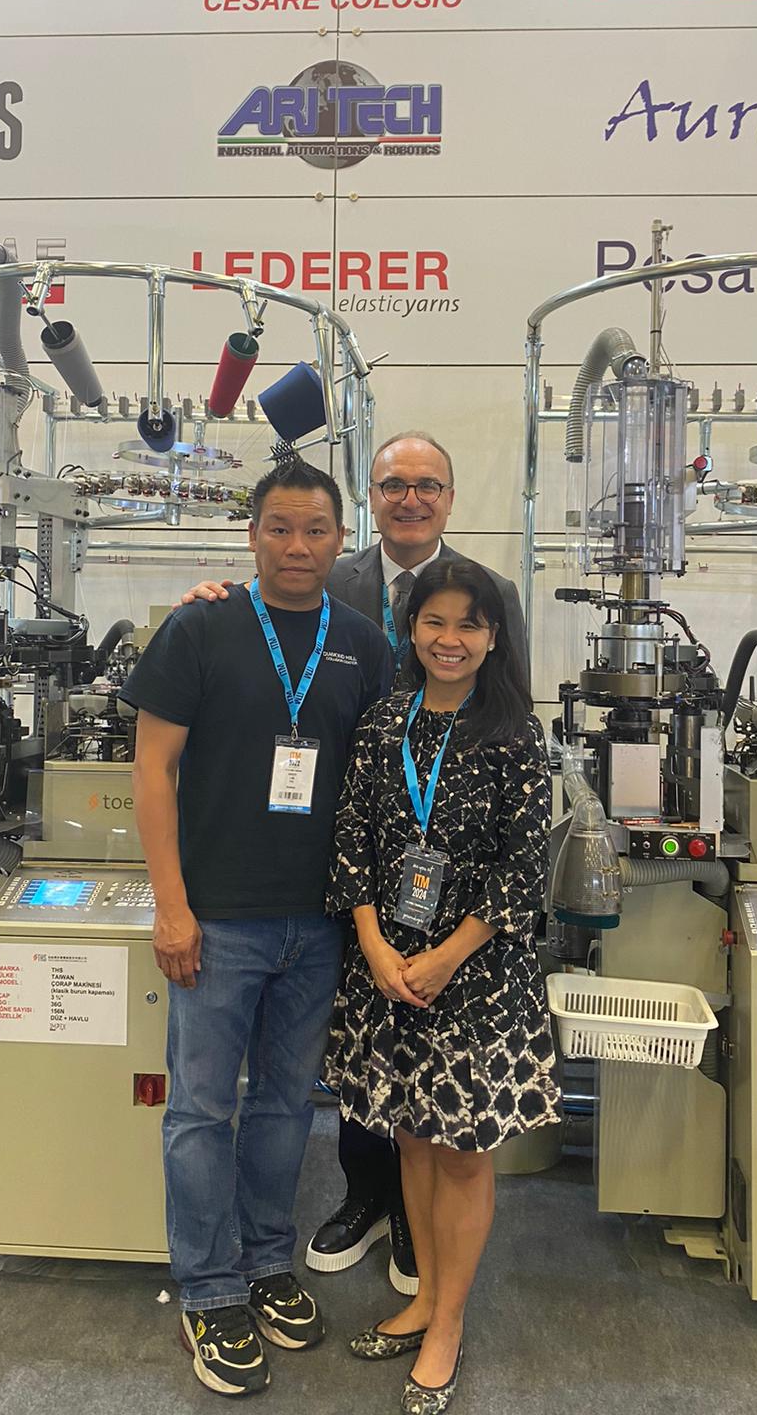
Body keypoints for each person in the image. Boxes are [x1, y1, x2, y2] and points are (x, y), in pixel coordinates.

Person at [182, 431, 529, 1297]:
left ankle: (420, 1229)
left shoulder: (496, 595)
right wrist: (210, 598)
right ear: (368, 503)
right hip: (355, 869)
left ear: (449, 498)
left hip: (453, 884)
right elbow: (267, 619)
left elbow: (507, 711)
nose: (411, 498)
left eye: (428, 484)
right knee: (364, 1060)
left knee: (422, 1089)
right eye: (393, 484)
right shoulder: (325, 577)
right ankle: (365, 1198)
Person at [123, 454, 393, 1398]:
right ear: (252, 535)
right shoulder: (200, 628)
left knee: (285, 1107)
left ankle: (268, 1262)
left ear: (339, 539)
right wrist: (172, 906)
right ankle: (209, 1289)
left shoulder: (363, 643)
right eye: (280, 528)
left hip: (317, 923)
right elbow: (152, 771)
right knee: (202, 1109)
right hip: (217, 919)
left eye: (316, 529)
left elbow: (380, 781)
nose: (297, 546)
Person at [326, 555, 561, 1415]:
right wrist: (373, 943)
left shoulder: (513, 733)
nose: (450, 639)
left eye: (469, 624)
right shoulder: (384, 721)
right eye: (435, 622)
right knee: (412, 1140)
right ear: (411, 630)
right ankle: (425, 1295)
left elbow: (523, 867)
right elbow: (351, 833)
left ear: (494, 637)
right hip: (388, 970)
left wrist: (446, 956)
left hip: (475, 977)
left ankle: (449, 1323)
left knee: (462, 1151)